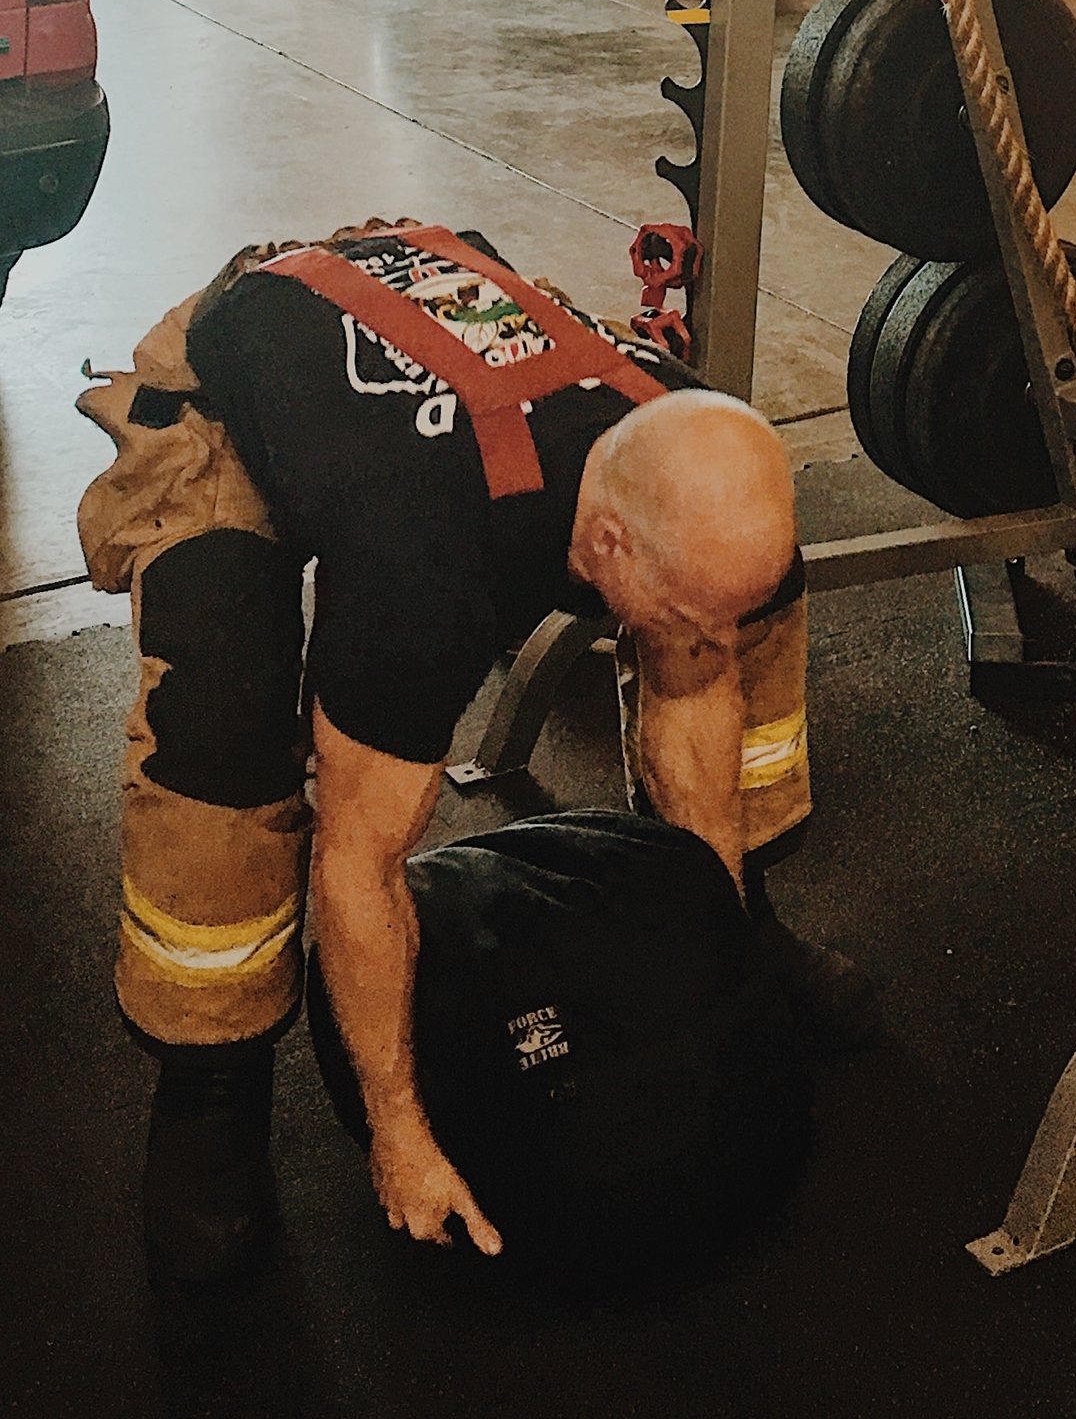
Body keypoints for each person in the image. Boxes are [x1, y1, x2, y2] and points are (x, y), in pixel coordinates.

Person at [76, 217, 871, 1283]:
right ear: (603, 548)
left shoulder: (671, 427)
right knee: (220, 720)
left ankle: (746, 913)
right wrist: (400, 1131)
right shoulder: (423, 577)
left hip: (440, 304)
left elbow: (701, 652)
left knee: (753, 600)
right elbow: (359, 863)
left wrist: (710, 949)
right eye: (678, 616)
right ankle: (209, 1088)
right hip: (244, 372)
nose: (703, 644)